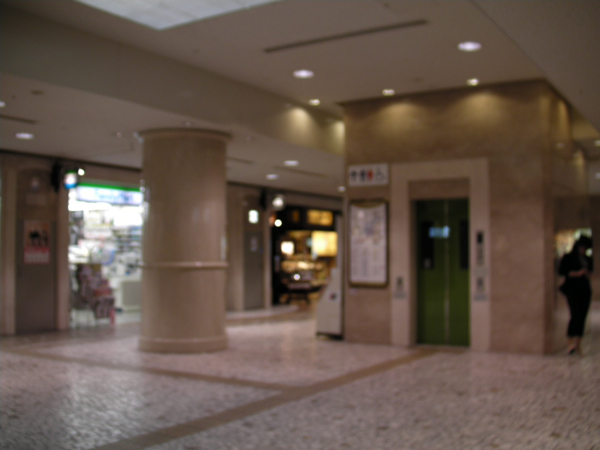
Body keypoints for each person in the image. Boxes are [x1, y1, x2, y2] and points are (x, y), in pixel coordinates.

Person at [558, 236, 593, 355]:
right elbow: (562, 271)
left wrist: (586, 273)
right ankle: (570, 343)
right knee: (575, 314)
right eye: (582, 248)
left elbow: (591, 273)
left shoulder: (588, 259)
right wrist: (577, 273)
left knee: (582, 316)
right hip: (572, 289)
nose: (583, 250)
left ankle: (578, 343)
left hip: (585, 290)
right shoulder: (568, 257)